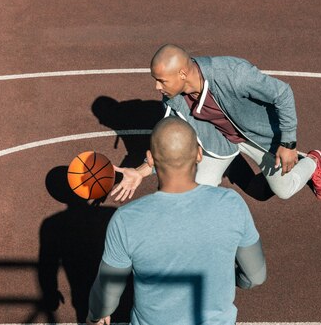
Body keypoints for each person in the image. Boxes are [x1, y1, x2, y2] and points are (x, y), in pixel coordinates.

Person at [86, 117, 266, 325]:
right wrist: (238, 280)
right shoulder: (232, 204)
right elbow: (256, 275)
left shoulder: (126, 220)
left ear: (150, 159)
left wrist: (97, 313)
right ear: (199, 154)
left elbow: (108, 290)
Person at [111, 44, 321, 202]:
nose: (157, 87)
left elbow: (283, 93)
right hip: (219, 142)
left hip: (260, 135)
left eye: (161, 80)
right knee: (198, 194)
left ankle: (312, 162)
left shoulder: (232, 74)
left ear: (181, 73)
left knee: (283, 191)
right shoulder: (173, 100)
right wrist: (141, 171)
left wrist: (288, 143)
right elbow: (170, 144)